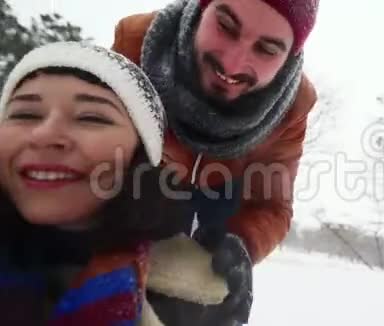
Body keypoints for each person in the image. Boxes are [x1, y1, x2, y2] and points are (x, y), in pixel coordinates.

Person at [111, 0, 320, 323]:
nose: (233, 64)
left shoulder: (293, 107)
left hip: (221, 193)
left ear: (289, 58)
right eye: (225, 26)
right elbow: (91, 154)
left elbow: (270, 206)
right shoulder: (135, 43)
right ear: (200, 9)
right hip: (144, 179)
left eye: (266, 49)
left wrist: (242, 245)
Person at [0, 42, 231, 325]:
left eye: (90, 117)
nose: (44, 135)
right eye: (25, 114)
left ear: (140, 155)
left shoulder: (186, 299)